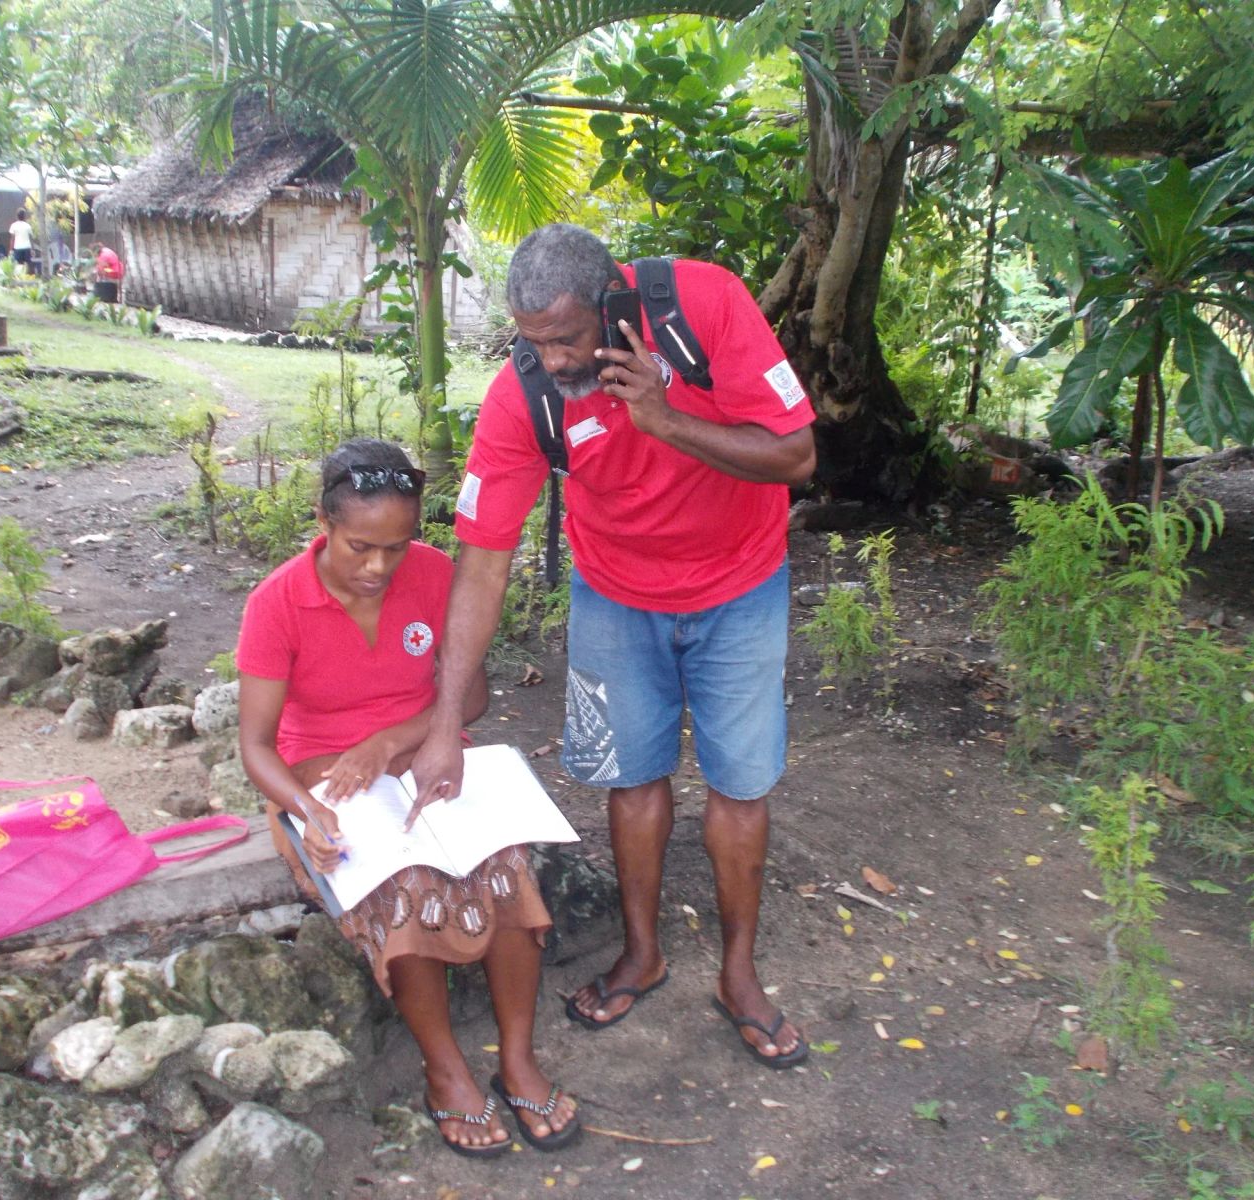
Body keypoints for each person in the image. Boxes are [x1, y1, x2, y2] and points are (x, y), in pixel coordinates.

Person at [410, 224, 819, 1070]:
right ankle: (642, 953)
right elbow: (482, 565)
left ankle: (739, 974)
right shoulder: (523, 396)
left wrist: (661, 418)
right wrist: (444, 720)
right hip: (615, 597)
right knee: (632, 782)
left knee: (740, 786)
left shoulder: (703, 306)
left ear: (614, 302)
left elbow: (796, 455)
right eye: (533, 341)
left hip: (740, 586)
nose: (554, 359)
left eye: (567, 337)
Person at [237, 438, 580, 1157]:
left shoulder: (432, 575)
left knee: (502, 866)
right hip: (322, 787)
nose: (377, 567)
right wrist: (309, 812)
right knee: (405, 884)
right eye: (361, 546)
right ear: (322, 522)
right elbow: (257, 747)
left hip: (421, 758)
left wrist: (394, 741)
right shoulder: (278, 603)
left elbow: (473, 693)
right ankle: (446, 1070)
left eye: (395, 547)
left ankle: (517, 1056)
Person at [8, 209, 34, 274]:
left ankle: (19, 278)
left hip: (18, 248)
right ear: (24, 216)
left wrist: (11, 250)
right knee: (28, 264)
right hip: (27, 248)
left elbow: (12, 239)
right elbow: (31, 238)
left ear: (17, 216)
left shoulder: (13, 225)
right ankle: (29, 277)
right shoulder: (27, 226)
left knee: (19, 265)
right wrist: (32, 249)